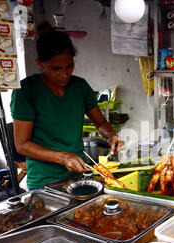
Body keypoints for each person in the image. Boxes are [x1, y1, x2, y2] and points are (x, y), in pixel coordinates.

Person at [10, 26, 124, 190]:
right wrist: (62, 157)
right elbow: (22, 145)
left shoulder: (80, 87)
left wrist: (112, 135)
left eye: (69, 66)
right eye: (56, 68)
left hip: (79, 176)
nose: (64, 75)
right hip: (45, 181)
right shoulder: (26, 91)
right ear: (40, 63)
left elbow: (100, 123)